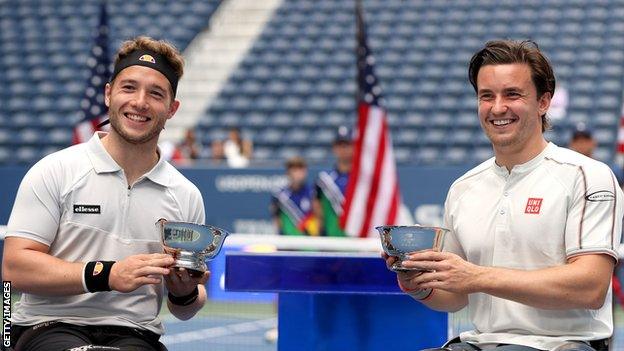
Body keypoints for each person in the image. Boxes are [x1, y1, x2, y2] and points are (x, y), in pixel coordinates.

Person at [385, 40, 624, 351]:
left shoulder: (587, 176)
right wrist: (417, 284)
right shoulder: (463, 188)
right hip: (481, 343)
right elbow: (456, 296)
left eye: (512, 94)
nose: (497, 108)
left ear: (543, 102)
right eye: (487, 96)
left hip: (565, 344)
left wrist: (476, 276)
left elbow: (589, 287)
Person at [2, 36, 208, 351]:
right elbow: (14, 268)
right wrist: (106, 274)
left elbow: (184, 309)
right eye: (129, 88)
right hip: (47, 326)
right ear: (109, 94)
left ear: (172, 108)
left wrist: (185, 292)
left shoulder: (186, 195)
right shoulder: (55, 170)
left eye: (156, 93)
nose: (140, 102)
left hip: (135, 335)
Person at [313, 125, 353, 236]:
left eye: (347, 145)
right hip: (332, 242)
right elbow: (318, 212)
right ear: (334, 148)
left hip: (358, 244)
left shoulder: (362, 180)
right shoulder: (324, 180)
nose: (344, 149)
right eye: (340, 145)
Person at [270, 156, 319, 236]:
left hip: (308, 243)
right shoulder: (279, 195)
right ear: (288, 172)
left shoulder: (313, 193)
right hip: (287, 242)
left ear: (305, 172)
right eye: (294, 170)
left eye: (301, 170)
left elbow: (318, 217)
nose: (298, 174)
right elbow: (277, 220)